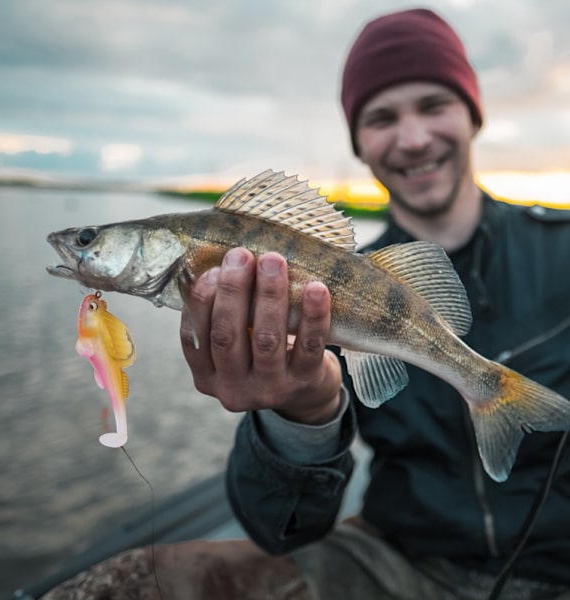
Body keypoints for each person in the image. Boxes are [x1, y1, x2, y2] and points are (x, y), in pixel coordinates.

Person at [43, 8, 570, 600]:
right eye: (381, 117)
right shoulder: (339, 280)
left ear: (473, 115)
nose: (413, 137)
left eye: (433, 105)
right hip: (397, 559)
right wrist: (301, 414)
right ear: (360, 143)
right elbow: (283, 529)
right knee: (123, 587)